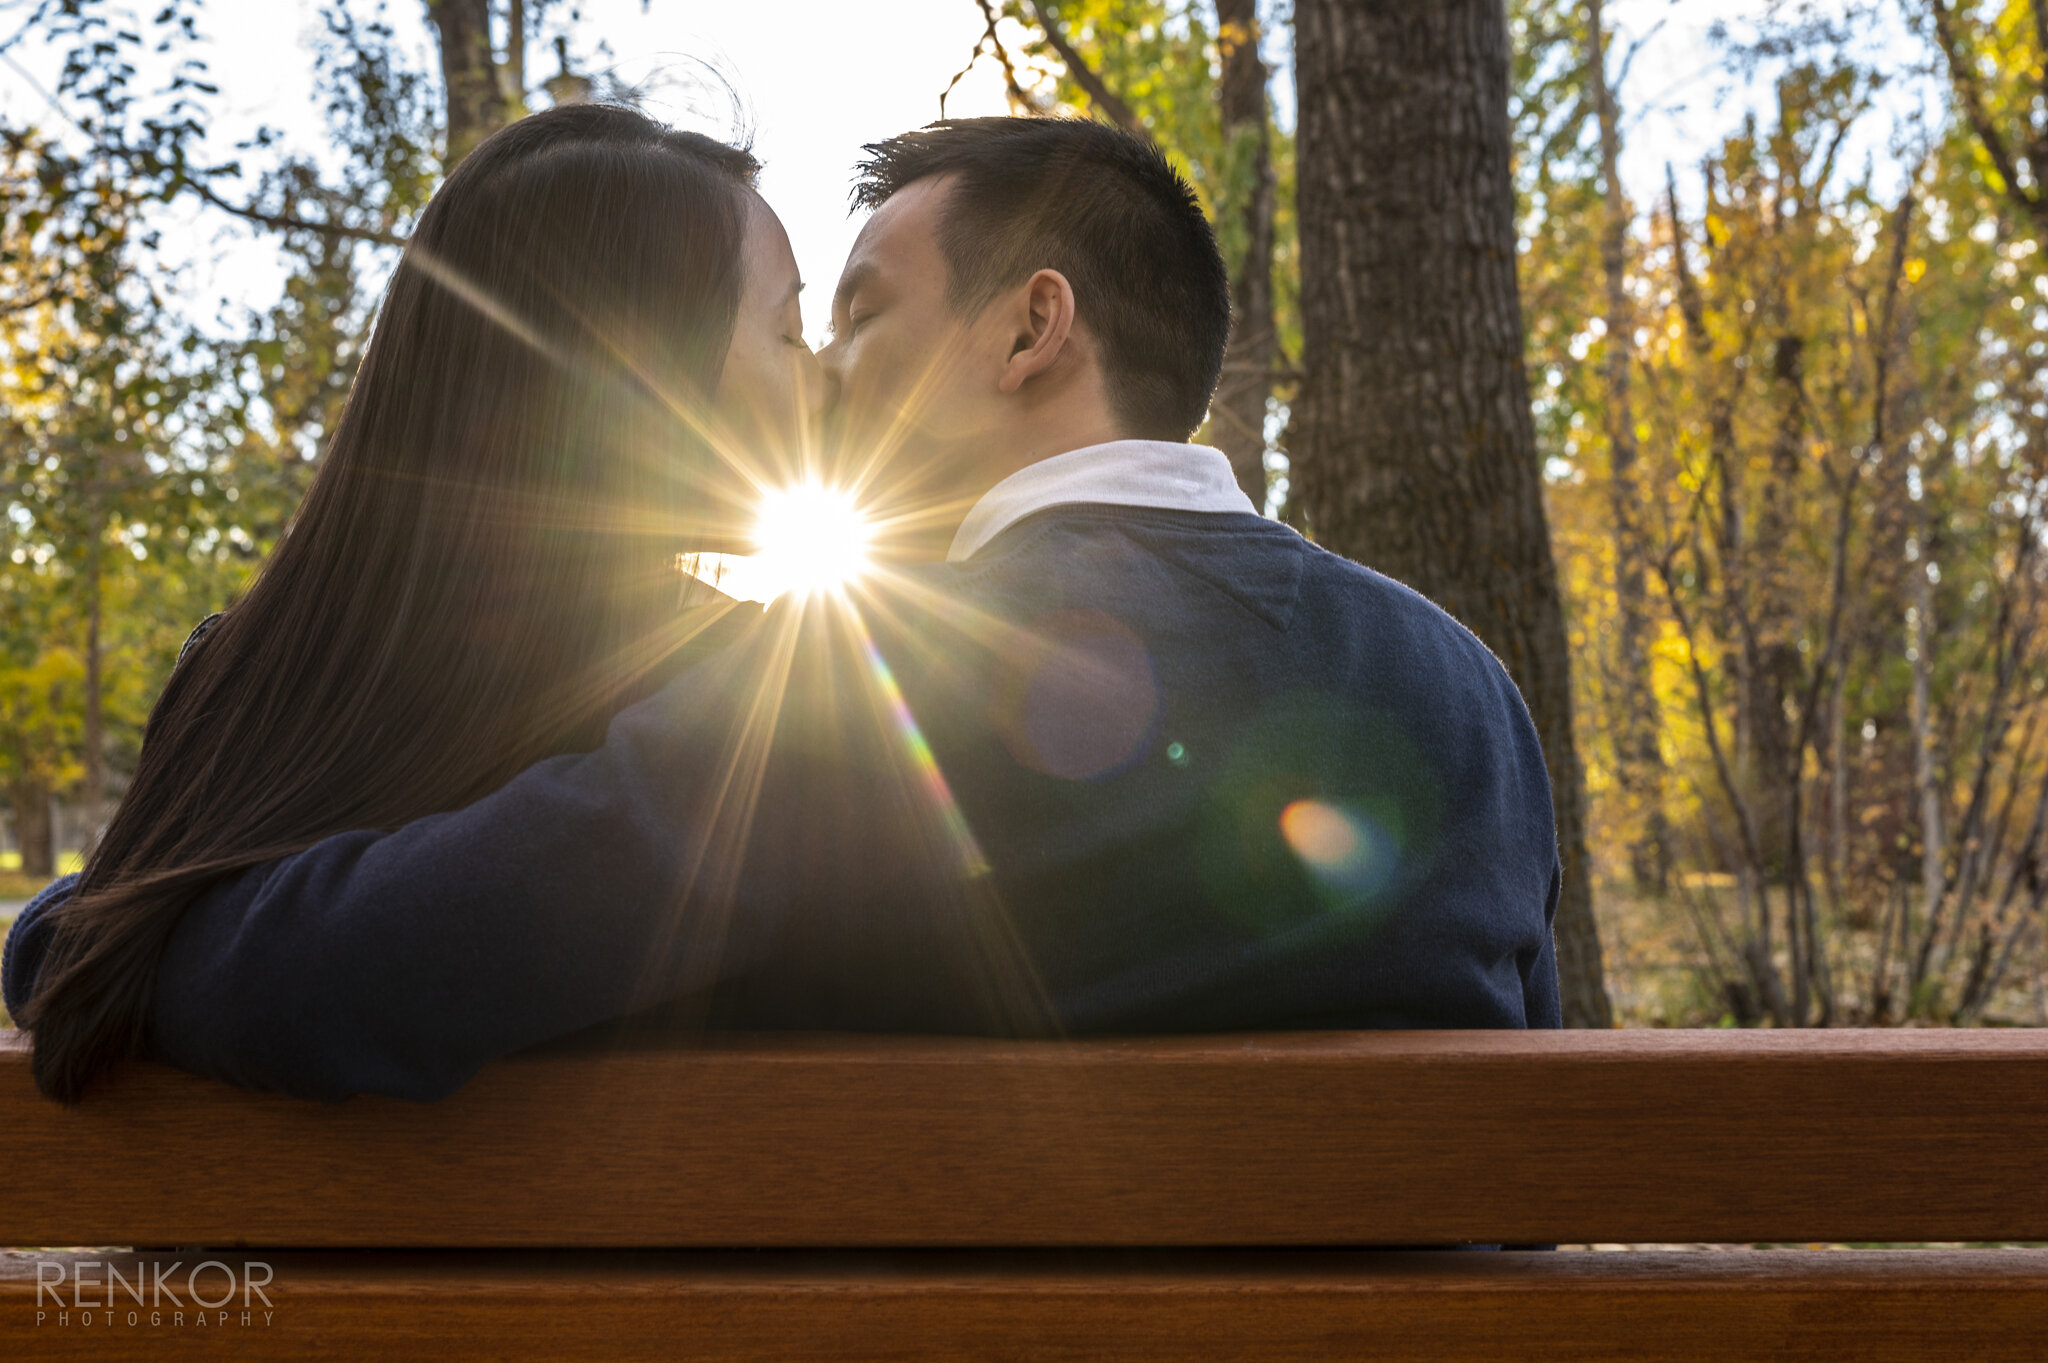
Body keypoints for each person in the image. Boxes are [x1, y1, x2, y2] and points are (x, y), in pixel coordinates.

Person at [5, 114, 1561, 1106]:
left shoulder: (881, 685)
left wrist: (81, 938)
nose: (824, 370)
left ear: (1034, 330)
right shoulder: (1469, 689)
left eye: (864, 311)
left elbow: (375, 972)